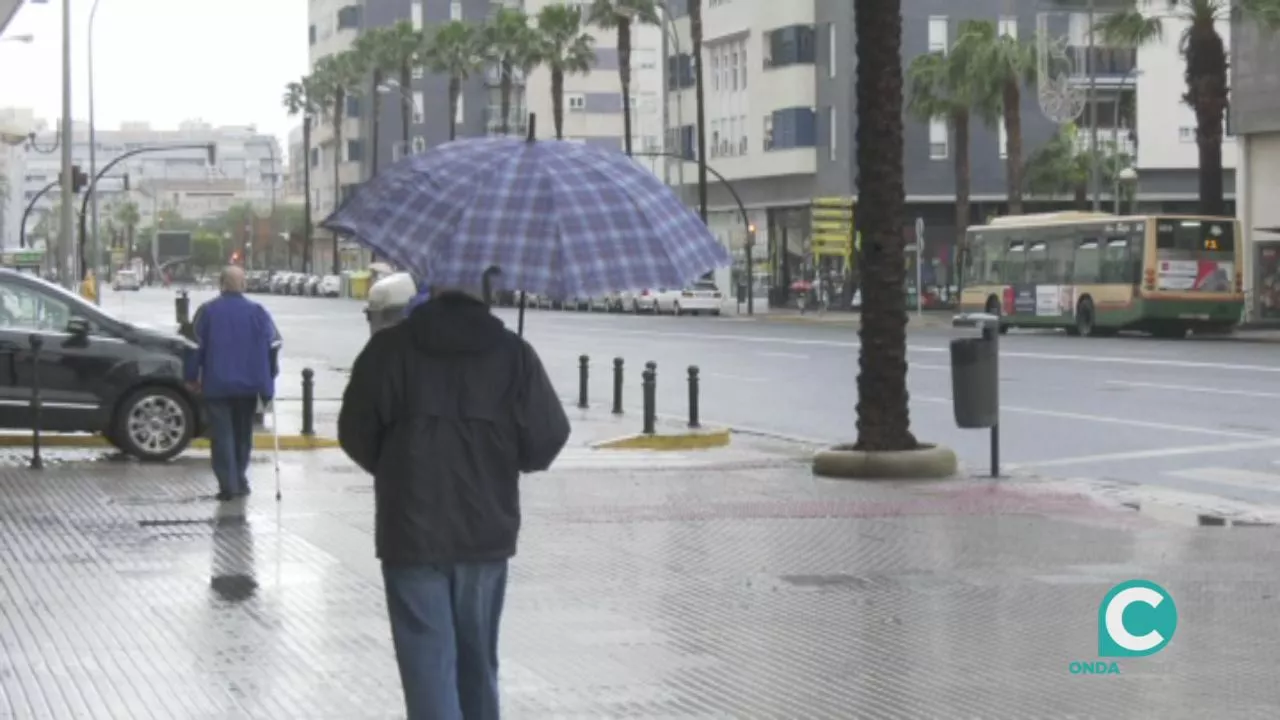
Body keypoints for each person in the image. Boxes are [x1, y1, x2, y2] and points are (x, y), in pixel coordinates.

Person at [338, 285, 570, 720]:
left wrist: (395, 471)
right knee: (478, 662)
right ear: (484, 290)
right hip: (486, 531)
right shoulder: (514, 354)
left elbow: (354, 433)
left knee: (427, 666)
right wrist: (505, 458)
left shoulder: (388, 351)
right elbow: (547, 440)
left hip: (410, 531)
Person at [186, 266, 279, 502]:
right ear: (243, 284)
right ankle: (239, 477)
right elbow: (273, 345)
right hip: (248, 386)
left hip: (217, 383)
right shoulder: (258, 312)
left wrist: (191, 377)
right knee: (242, 433)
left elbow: (194, 347)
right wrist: (269, 379)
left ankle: (229, 484)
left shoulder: (207, 312)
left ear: (221, 284)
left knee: (223, 434)